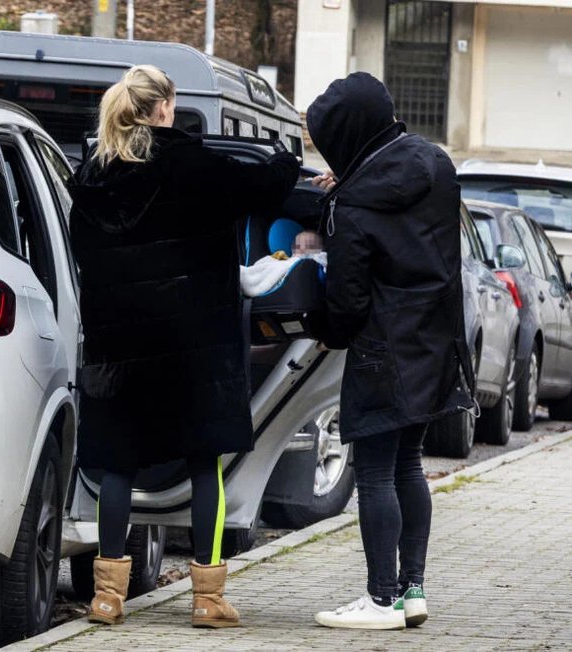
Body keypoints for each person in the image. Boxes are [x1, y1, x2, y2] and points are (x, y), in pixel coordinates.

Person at [68, 64, 299, 629]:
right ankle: (207, 597)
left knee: (118, 466)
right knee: (204, 465)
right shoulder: (194, 164)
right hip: (194, 349)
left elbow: (79, 251)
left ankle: (107, 597)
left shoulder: (94, 176)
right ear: (165, 107)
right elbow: (266, 187)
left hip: (119, 348)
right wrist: (286, 157)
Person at [306, 72, 474, 630]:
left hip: (382, 347)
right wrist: (347, 185)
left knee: (374, 472)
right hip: (436, 341)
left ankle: (380, 599)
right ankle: (412, 591)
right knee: (409, 464)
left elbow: (347, 300)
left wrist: (321, 326)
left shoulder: (353, 205)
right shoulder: (439, 165)